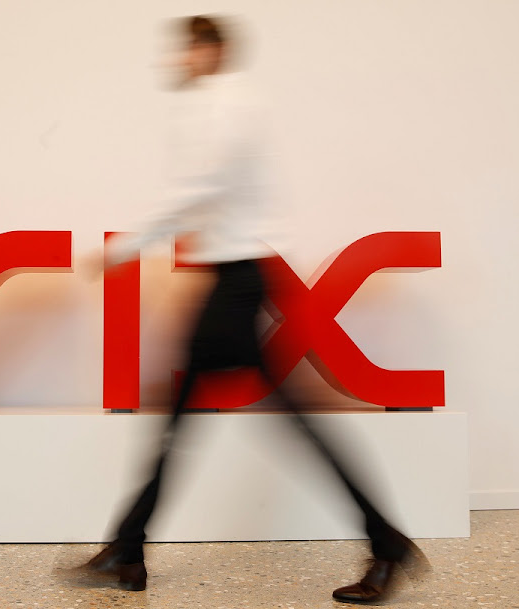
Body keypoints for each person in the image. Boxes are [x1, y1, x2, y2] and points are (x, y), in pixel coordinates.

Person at [82, 15, 429, 603]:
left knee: (238, 417)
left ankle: (129, 547)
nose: (179, 60)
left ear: (211, 50)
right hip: (235, 276)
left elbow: (200, 187)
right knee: (211, 413)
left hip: (241, 277)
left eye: (189, 50)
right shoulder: (215, 104)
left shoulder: (230, 105)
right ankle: (128, 548)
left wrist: (124, 246)